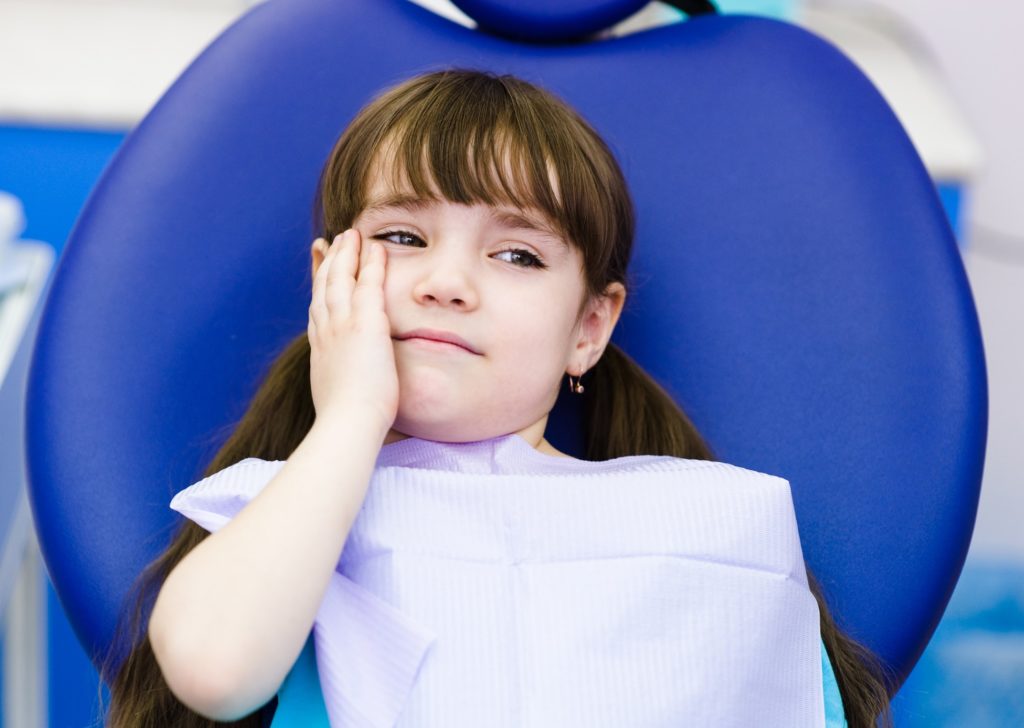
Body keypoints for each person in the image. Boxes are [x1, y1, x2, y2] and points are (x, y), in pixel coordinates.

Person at [100, 69, 894, 727]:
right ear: (328, 279)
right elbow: (213, 670)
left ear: (590, 325)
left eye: (516, 254)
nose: (446, 284)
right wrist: (351, 413)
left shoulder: (718, 524)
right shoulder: (282, 513)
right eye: (403, 238)